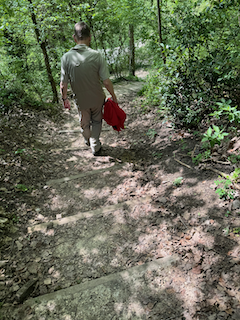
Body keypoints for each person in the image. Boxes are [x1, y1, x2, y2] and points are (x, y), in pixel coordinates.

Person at [60, 21, 117, 155]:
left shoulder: (66, 58)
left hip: (81, 99)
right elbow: (107, 82)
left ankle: (87, 138)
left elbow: (63, 84)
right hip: (97, 97)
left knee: (84, 122)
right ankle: (95, 145)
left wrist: (64, 99)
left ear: (74, 37)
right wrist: (113, 96)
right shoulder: (97, 55)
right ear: (90, 37)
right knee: (97, 120)